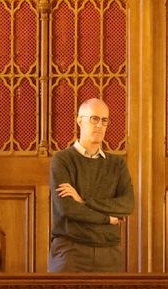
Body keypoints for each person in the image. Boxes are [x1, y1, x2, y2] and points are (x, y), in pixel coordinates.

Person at [49, 98, 135, 272]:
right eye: (94, 119)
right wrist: (107, 219)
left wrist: (83, 200)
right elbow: (67, 208)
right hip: (70, 251)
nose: (99, 125)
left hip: (109, 251)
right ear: (80, 121)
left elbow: (127, 204)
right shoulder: (62, 160)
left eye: (104, 120)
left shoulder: (117, 164)